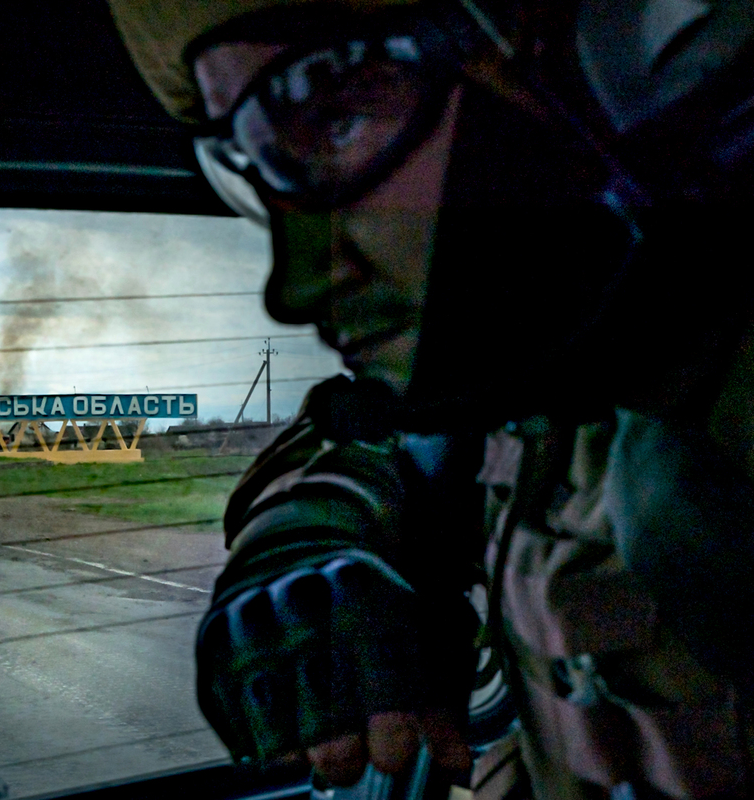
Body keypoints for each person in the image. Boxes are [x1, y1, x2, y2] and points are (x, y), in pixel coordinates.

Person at [105, 1, 754, 797]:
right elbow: (369, 439)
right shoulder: (534, 387)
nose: (297, 283)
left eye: (337, 116)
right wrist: (307, 542)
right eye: (254, 170)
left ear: (630, 55)